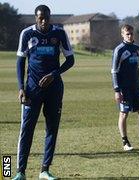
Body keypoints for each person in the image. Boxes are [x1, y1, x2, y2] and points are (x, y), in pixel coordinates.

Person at [12, 5, 74, 180]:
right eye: (41, 18)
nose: (44, 21)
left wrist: (54, 75)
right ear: (35, 18)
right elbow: (20, 62)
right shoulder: (27, 34)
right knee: (26, 129)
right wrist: (21, 88)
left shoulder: (59, 33)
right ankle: (19, 172)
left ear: (50, 17)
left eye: (47, 17)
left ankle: (44, 170)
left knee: (52, 128)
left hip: (54, 89)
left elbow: (70, 59)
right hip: (32, 90)